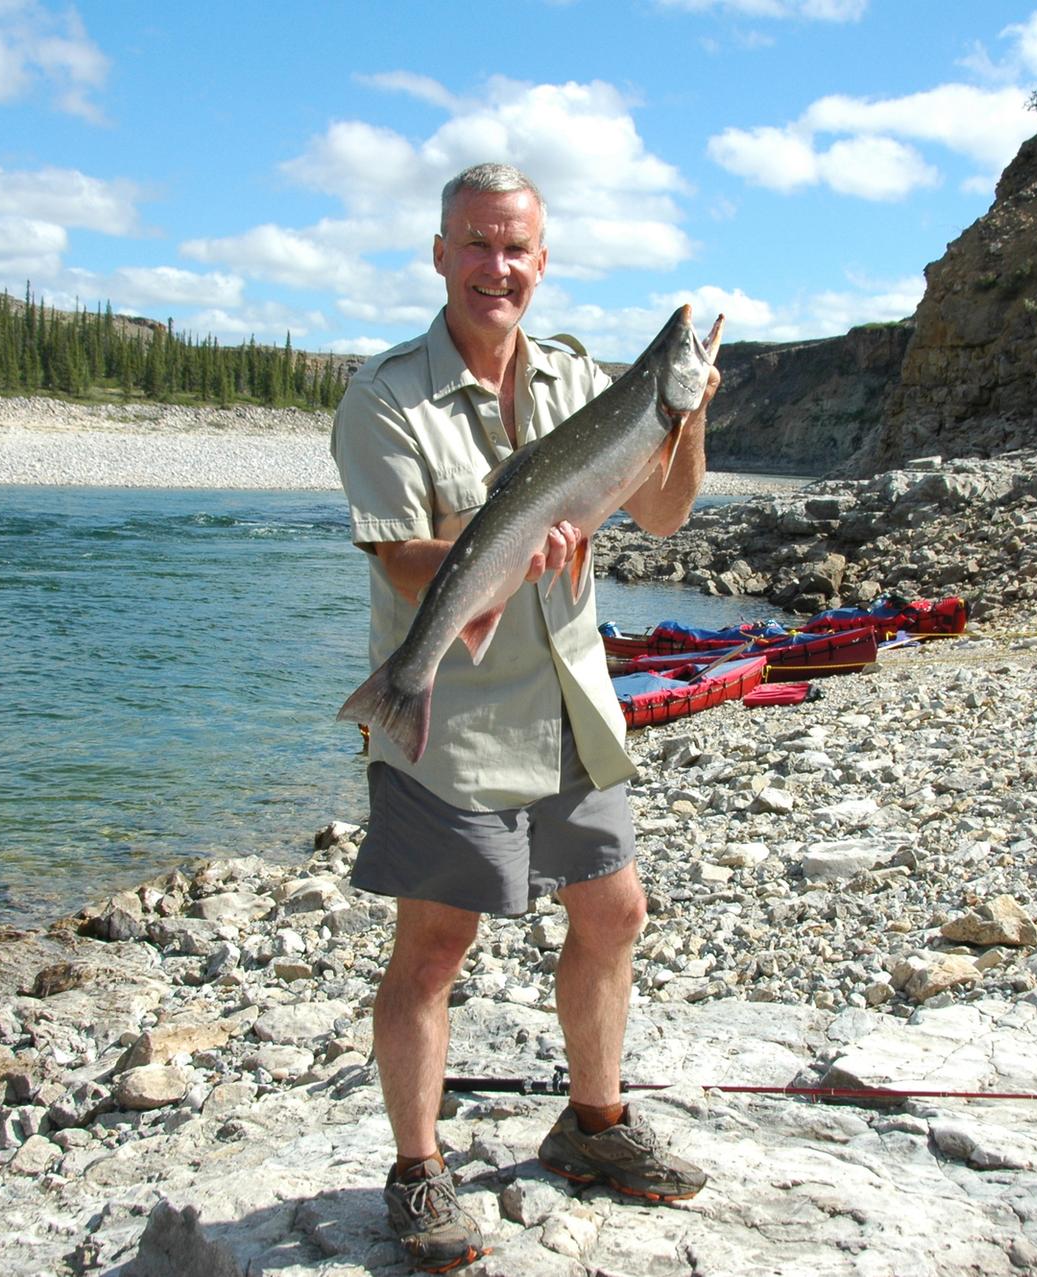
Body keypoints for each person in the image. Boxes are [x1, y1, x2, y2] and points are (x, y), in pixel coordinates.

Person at [330, 161, 717, 1273]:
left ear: (541, 264)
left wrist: (682, 414)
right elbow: (404, 561)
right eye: (476, 243)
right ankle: (417, 1173)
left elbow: (665, 507)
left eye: (517, 250)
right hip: (452, 708)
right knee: (436, 943)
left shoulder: (588, 382)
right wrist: (494, 555)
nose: (496, 267)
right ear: (441, 251)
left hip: (573, 698)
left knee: (615, 909)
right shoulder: (385, 395)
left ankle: (595, 1123)